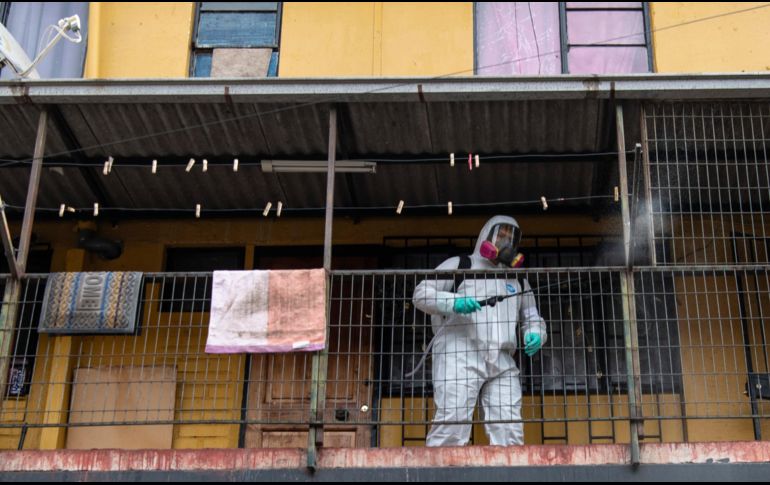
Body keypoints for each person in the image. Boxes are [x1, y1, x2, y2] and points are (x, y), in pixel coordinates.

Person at [412, 215, 547, 446]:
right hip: (459, 355)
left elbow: (532, 317)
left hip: (503, 360)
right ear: (487, 235)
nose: (506, 243)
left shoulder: (517, 280)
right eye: (501, 236)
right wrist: (453, 302)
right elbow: (422, 293)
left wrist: (536, 333)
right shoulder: (460, 265)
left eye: (511, 239)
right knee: (452, 423)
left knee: (509, 428)